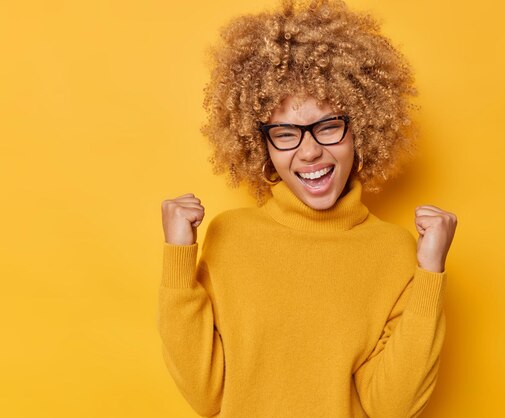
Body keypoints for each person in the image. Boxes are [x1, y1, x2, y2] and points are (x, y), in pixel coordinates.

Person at [158, 0, 458, 416]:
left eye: (329, 126)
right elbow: (205, 395)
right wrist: (178, 259)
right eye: (285, 133)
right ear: (259, 142)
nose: (310, 151)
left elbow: (391, 407)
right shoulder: (230, 236)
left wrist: (430, 274)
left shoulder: (394, 251)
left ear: (363, 129)